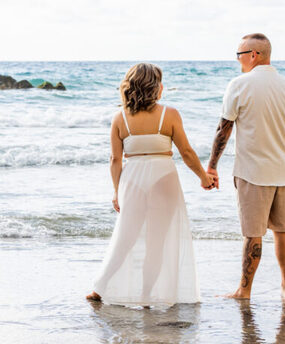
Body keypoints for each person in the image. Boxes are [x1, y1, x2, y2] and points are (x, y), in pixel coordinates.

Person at [86, 63, 218, 307]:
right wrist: (203, 176)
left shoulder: (120, 118)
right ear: (156, 87)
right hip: (163, 177)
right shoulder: (170, 114)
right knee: (157, 241)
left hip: (132, 178)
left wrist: (117, 191)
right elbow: (186, 152)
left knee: (125, 237)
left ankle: (99, 288)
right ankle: (146, 296)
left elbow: (115, 160)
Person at [207, 33, 285, 299]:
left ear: (254, 55)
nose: (237, 60)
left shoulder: (239, 85)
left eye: (239, 55)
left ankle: (244, 290)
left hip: (252, 173)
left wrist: (212, 166)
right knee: (283, 231)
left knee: (253, 234)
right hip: (283, 173)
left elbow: (223, 129)